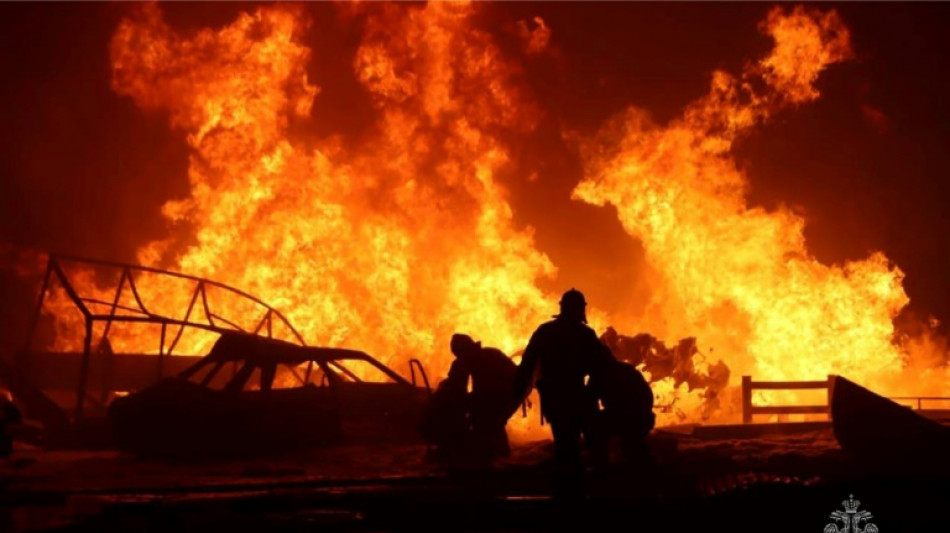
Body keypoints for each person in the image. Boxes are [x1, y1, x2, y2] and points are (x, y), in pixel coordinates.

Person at [514, 288, 606, 496]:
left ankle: (568, 492)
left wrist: (521, 389)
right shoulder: (585, 334)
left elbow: (527, 364)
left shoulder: (546, 331)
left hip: (557, 397)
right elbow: (600, 369)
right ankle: (583, 492)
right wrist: (591, 394)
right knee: (588, 445)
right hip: (576, 396)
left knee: (566, 445)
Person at [445, 333, 520, 460]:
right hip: (504, 393)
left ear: (465, 350)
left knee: (490, 420)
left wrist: (466, 403)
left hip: (508, 392)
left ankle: (500, 456)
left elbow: (483, 392)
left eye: (459, 354)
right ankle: (499, 454)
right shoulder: (475, 358)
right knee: (489, 421)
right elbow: (461, 388)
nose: (459, 358)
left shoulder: (485, 358)